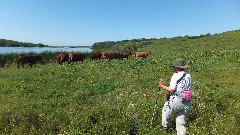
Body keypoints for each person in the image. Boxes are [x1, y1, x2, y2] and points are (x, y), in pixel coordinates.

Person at [158, 59, 192, 135]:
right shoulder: (188, 76)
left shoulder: (175, 75)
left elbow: (171, 90)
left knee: (165, 111)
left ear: (176, 68)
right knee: (181, 122)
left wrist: (162, 86)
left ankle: (164, 127)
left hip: (177, 100)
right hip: (187, 100)